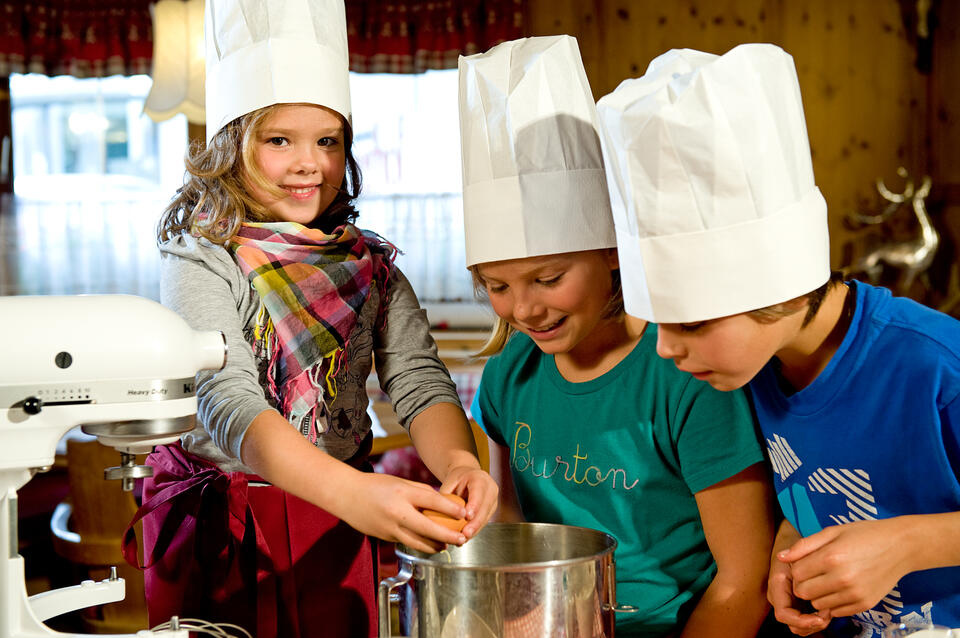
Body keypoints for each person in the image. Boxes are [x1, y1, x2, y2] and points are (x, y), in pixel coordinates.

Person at [123, 1, 497, 636]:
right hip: (223, 525)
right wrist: (351, 494)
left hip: (339, 519)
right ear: (228, 146)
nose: (310, 164)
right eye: (279, 141)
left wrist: (459, 463)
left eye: (328, 141)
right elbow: (226, 398)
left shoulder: (371, 266)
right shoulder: (202, 256)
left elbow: (418, 380)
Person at [597, 43, 960, 637]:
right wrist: (790, 552)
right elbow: (816, 488)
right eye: (658, 322)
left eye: (690, 324)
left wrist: (908, 542)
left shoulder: (934, 365)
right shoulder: (754, 369)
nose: (665, 349)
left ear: (777, 289)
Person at [459, 35, 776, 637]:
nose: (524, 309)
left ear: (611, 254)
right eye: (496, 286)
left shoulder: (686, 375)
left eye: (547, 278)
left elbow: (743, 580)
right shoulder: (510, 374)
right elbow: (503, 521)